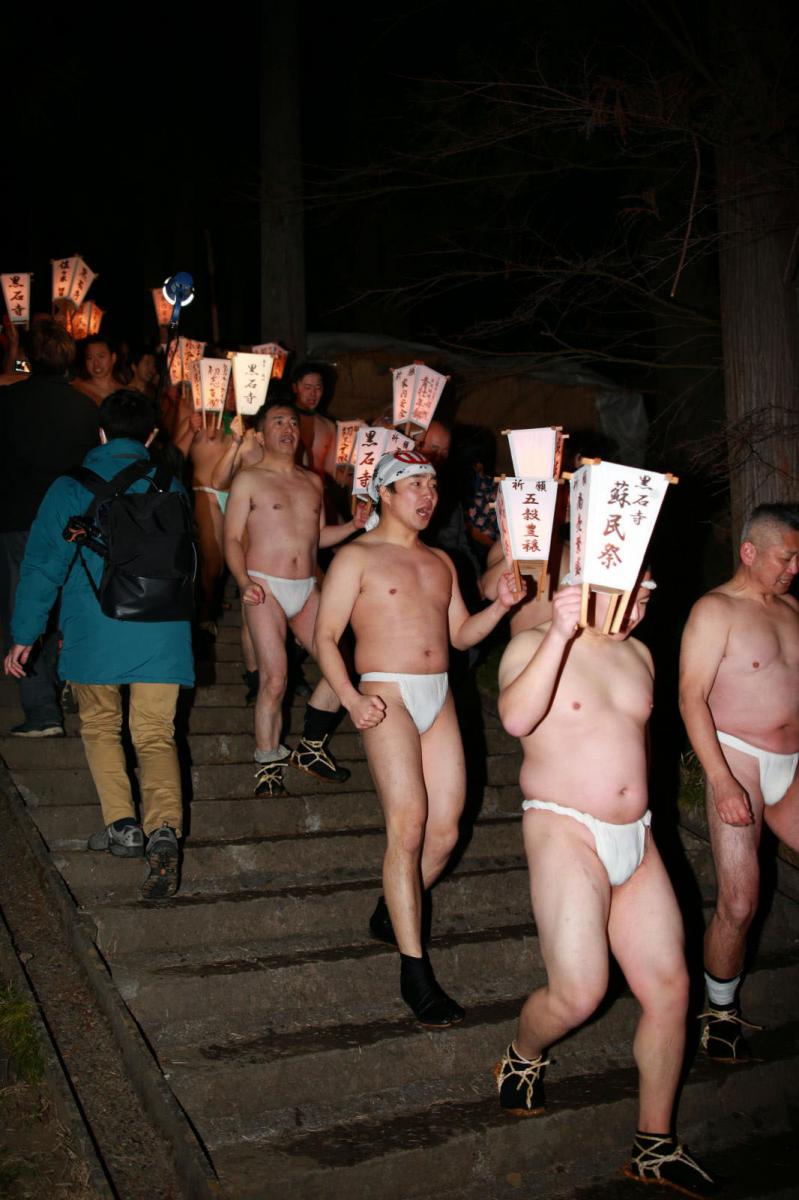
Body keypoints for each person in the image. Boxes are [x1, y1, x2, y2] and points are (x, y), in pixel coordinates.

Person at [494, 580, 716, 1197]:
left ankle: (654, 1143)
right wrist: (561, 631)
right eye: (625, 596)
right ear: (584, 588)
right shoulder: (535, 644)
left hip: (635, 835)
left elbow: (636, 745)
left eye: (647, 597)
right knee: (579, 993)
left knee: (672, 990)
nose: (637, 611)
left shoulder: (639, 654)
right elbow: (514, 717)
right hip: (565, 828)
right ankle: (523, 1051)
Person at [314, 450, 519, 1026]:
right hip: (388, 696)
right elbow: (326, 637)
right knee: (407, 826)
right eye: (414, 485)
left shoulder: (442, 562)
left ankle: (391, 906)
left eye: (433, 484)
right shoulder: (355, 557)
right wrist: (352, 699)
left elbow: (459, 634)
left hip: (440, 694)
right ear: (385, 493)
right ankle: (415, 972)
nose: (429, 495)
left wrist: (501, 606)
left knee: (447, 832)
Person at [3, 390, 193, 899]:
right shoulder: (171, 482)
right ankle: (164, 831)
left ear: (101, 434)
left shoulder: (70, 487)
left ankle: (123, 824)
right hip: (164, 626)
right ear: (151, 436)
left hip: (95, 626)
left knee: (103, 727)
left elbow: (44, 564)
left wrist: (25, 636)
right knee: (155, 734)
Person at [679, 502, 799, 1061]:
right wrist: (722, 780)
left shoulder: (792, 608)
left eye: (798, 558)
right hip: (740, 760)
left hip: (792, 763)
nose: (793, 568)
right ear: (750, 552)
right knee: (740, 902)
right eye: (786, 556)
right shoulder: (714, 610)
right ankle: (719, 1008)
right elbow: (690, 697)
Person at [224, 399, 367, 797]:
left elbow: (318, 538)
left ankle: (311, 745)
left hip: (305, 587)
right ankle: (267, 762)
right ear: (262, 433)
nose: (288, 428)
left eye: (292, 422)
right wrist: (241, 579)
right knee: (275, 678)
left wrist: (354, 525)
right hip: (264, 586)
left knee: (344, 663)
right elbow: (232, 537)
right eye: (278, 422)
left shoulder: (312, 481)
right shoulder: (248, 479)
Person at [0, 319, 100, 735]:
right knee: (67, 605)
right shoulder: (86, 407)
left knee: (23, 605)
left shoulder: (7, 402)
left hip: (18, 518)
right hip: (74, 522)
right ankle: (65, 683)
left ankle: (41, 709)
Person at [291, 361, 337, 477]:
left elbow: (331, 469)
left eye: (318, 388)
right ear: (295, 387)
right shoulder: (280, 423)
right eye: (307, 387)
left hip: (317, 491)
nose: (313, 394)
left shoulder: (328, 426)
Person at [73, 336, 120, 405]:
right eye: (90, 358)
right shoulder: (78, 389)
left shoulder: (124, 391)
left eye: (101, 356)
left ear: (113, 358)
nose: (96, 363)